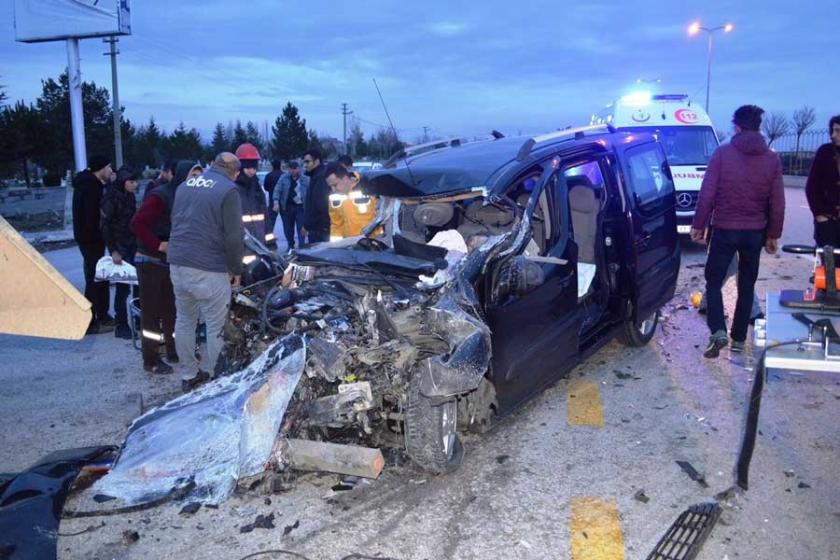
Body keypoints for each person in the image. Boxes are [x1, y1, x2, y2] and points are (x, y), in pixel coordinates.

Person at [690, 105, 785, 358]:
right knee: (747, 283)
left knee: (713, 279)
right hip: (755, 233)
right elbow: (777, 200)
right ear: (759, 127)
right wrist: (773, 234)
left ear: (737, 127)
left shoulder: (723, 154)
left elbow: (707, 194)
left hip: (725, 230)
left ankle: (718, 330)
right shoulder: (772, 158)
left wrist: (698, 226)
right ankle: (739, 338)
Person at [167, 153, 245, 388]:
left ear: (212, 165)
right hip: (208, 266)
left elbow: (176, 220)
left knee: (184, 320)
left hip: (178, 263)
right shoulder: (228, 190)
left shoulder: (185, 185)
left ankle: (189, 376)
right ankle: (217, 378)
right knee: (215, 324)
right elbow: (234, 236)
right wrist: (235, 268)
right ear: (235, 172)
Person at [131, 161, 195, 375]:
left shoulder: (187, 197)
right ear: (181, 176)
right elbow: (137, 223)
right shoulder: (161, 196)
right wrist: (158, 244)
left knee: (171, 310)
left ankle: (174, 350)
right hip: (149, 261)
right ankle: (150, 359)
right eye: (192, 176)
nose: (197, 181)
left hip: (170, 262)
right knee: (151, 313)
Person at [72, 154, 114, 335]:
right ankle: (89, 321)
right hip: (91, 239)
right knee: (95, 279)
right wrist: (101, 235)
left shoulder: (90, 184)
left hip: (89, 238)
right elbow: (91, 218)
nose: (111, 171)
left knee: (100, 277)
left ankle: (103, 315)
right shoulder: (90, 188)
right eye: (109, 167)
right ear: (101, 168)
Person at [100, 166, 140, 340]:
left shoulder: (129, 196)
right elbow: (105, 226)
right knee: (123, 289)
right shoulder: (110, 199)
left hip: (132, 245)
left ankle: (139, 320)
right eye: (132, 182)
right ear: (124, 182)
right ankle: (121, 325)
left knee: (138, 286)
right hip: (120, 248)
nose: (135, 185)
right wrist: (114, 251)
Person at [805, 115, 840, 247]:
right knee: (829, 264)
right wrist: (819, 214)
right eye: (832, 130)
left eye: (838, 131)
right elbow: (812, 187)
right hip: (828, 220)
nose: (833, 135)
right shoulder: (825, 152)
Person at [324, 162, 378, 239]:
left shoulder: (368, 186)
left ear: (345, 179)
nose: (333, 190)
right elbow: (335, 224)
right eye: (330, 186)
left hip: (370, 244)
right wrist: (336, 247)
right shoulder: (333, 197)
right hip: (347, 246)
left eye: (335, 185)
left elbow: (381, 215)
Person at [234, 143, 270, 244]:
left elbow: (265, 215)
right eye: (248, 168)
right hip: (241, 243)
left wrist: (271, 242)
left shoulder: (256, 187)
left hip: (259, 241)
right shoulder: (232, 188)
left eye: (254, 168)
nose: (252, 171)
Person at [272, 161, 308, 250]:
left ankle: (302, 246)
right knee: (288, 228)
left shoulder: (305, 179)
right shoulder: (284, 178)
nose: (293, 171)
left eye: (295, 168)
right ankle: (290, 245)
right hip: (287, 207)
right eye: (291, 169)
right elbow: (277, 189)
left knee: (301, 227)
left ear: (299, 168)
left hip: (301, 207)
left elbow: (310, 191)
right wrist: (276, 202)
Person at [302, 148, 331, 244]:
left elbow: (318, 205)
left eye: (308, 161)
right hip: (319, 228)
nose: (305, 165)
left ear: (317, 161)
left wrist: (307, 225)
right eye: (304, 162)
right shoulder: (315, 176)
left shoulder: (320, 177)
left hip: (320, 229)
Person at [264, 159, 283, 233]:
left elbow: (266, 187)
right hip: (283, 200)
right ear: (280, 165)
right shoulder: (284, 175)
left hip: (272, 200)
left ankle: (269, 234)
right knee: (287, 221)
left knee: (271, 220)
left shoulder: (269, 175)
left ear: (272, 166)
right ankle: (290, 240)